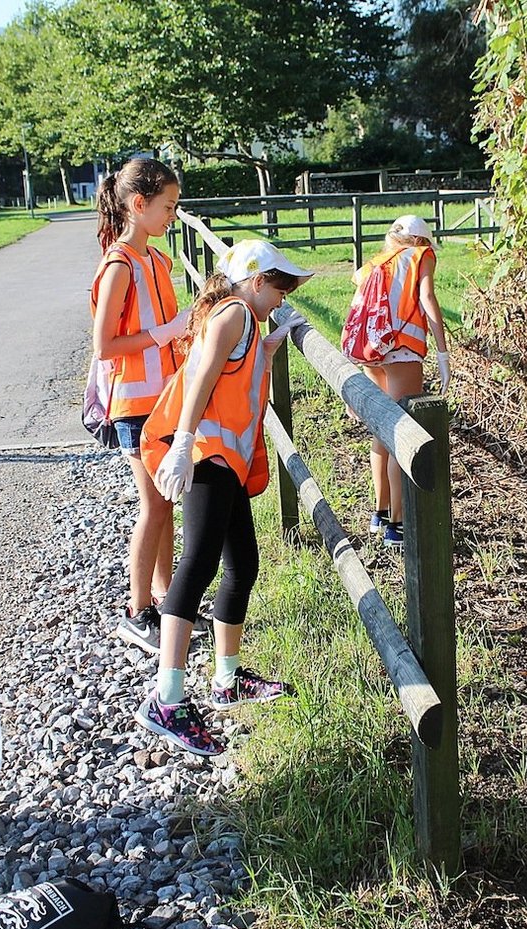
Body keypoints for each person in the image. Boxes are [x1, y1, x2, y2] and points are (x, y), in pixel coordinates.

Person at [135, 240, 311, 756]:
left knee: (243, 565)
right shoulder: (234, 313)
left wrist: (274, 341)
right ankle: (166, 699)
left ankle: (226, 681)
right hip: (206, 455)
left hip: (223, 461)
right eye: (280, 289)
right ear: (257, 281)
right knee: (199, 565)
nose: (282, 299)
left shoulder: (247, 322)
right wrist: (183, 445)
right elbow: (202, 376)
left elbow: (238, 370)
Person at [90, 159, 192, 655]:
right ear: (139, 204)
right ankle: (137, 612)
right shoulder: (119, 264)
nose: (174, 215)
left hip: (165, 399)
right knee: (153, 506)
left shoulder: (155, 260)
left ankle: (165, 596)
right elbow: (104, 344)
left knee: (166, 503)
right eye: (168, 206)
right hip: (136, 405)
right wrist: (167, 333)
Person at [347, 215, 448, 547]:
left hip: (370, 350)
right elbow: (427, 298)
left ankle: (380, 512)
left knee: (381, 429)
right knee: (400, 432)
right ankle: (398, 525)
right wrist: (443, 355)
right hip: (402, 349)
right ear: (423, 240)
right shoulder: (422, 256)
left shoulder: (375, 263)